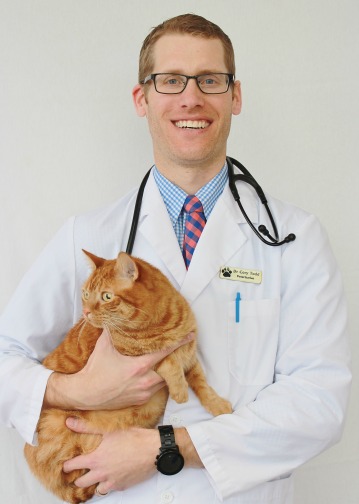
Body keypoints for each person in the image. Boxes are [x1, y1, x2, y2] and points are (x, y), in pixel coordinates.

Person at [0, 13, 351, 504]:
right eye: (171, 81)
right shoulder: (88, 235)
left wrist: (167, 447)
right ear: (142, 99)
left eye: (211, 80)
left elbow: (319, 401)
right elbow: (5, 356)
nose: (192, 98)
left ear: (236, 96)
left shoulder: (294, 239)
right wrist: (76, 393)